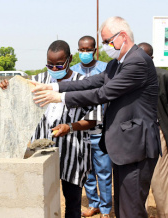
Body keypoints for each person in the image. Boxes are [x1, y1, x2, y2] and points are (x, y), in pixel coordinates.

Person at [32, 16, 160, 218]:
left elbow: (102, 93)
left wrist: (60, 97)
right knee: (123, 208)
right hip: (123, 147)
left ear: (123, 36)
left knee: (131, 210)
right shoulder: (117, 64)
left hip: (136, 147)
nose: (105, 47)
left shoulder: (137, 62)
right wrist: (53, 86)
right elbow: (90, 82)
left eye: (107, 41)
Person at [0, 40, 101, 218]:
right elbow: (16, 104)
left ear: (69, 59)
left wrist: (70, 127)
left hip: (72, 154)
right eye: (50, 65)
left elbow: (93, 118)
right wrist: (7, 89)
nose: (54, 69)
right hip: (41, 152)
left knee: (72, 202)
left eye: (59, 65)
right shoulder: (37, 81)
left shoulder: (83, 83)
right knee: (40, 199)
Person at [71, 36, 112, 218]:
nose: (85, 53)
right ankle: (93, 204)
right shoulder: (72, 71)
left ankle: (105, 209)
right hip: (79, 130)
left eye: (88, 50)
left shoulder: (105, 69)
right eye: (82, 50)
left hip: (101, 129)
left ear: (95, 50)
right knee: (86, 172)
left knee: (103, 171)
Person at [138, 42, 168, 218]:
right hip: (135, 134)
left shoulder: (163, 76)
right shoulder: (128, 78)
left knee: (159, 181)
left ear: (151, 59)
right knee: (137, 180)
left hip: (158, 132)